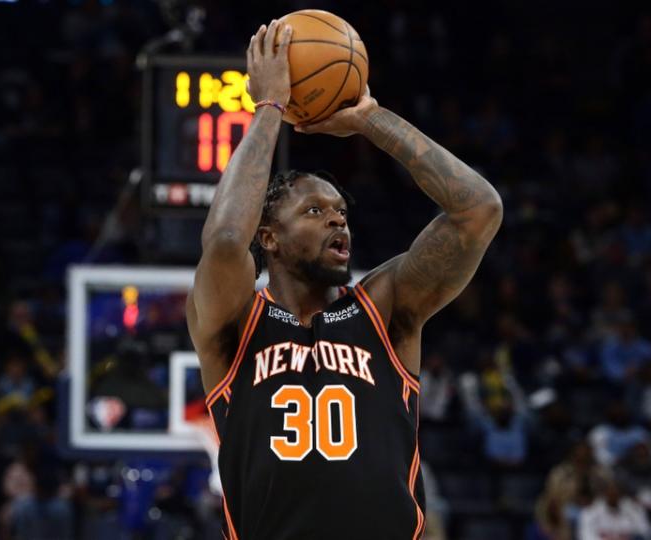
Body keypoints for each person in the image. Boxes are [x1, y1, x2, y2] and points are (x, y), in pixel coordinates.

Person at [185, 18, 503, 540]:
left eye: (340, 212)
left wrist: (372, 120)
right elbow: (223, 242)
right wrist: (269, 109)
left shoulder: (385, 307)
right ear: (269, 238)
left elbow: (479, 210)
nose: (338, 220)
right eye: (314, 210)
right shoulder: (237, 322)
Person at [577, 480, 651, 540]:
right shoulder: (590, 511)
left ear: (621, 494)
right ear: (604, 494)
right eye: (610, 494)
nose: (613, 496)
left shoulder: (634, 509)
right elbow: (585, 536)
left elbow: (646, 532)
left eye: (616, 494)